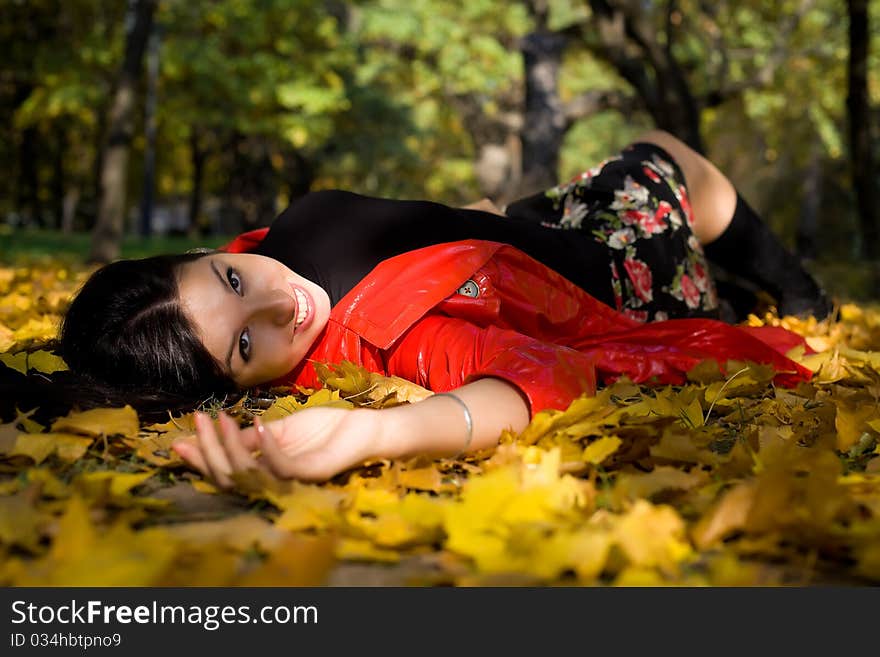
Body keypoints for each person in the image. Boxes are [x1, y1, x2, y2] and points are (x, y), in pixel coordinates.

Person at [57, 131, 829, 486]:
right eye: (249, 346)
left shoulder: (277, 253)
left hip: (525, 239)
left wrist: (469, 217)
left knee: (627, 166)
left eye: (230, 280)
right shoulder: (393, 333)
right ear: (244, 383)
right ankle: (802, 297)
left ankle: (764, 284)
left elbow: (403, 230)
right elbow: (535, 375)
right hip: (621, 274)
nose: (279, 304)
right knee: (661, 158)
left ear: (206, 254)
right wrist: (374, 431)